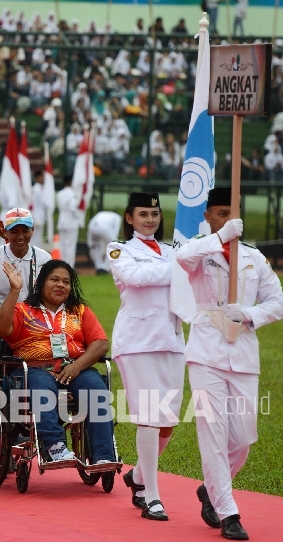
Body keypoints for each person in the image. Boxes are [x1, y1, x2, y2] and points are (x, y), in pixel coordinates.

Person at [175, 187, 283, 540]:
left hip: (243, 352)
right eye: (219, 212)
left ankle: (210, 488)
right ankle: (228, 513)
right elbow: (180, 259)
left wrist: (250, 314)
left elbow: (278, 303)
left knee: (241, 439)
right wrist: (219, 238)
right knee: (213, 433)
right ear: (208, 216)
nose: (225, 218)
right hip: (206, 351)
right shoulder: (199, 252)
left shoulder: (254, 258)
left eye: (230, 212)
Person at [107, 193, 186, 521]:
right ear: (130, 218)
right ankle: (151, 495)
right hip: (136, 342)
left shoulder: (172, 252)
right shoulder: (119, 248)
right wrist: (179, 270)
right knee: (149, 418)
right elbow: (135, 278)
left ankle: (138, 474)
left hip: (171, 339)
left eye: (154, 213)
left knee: (167, 422)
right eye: (143, 214)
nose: (150, 219)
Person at [0, 259, 116, 464]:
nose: (61, 285)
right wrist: (15, 290)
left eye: (66, 282)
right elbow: (1, 329)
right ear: (41, 283)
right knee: (42, 386)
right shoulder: (23, 310)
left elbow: (101, 343)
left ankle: (104, 457)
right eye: (55, 280)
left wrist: (77, 366)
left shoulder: (79, 311)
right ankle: (55, 446)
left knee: (96, 388)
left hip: (74, 368)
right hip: (34, 369)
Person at [0, 209, 51, 382]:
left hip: (33, 335)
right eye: (14, 231)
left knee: (33, 385)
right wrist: (1, 312)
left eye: (25, 231)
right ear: (5, 233)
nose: (20, 236)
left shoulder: (45, 259)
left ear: (32, 231)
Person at [56, 176, 79, 267]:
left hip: (62, 220)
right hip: (71, 221)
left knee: (63, 245)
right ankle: (69, 266)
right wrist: (79, 216)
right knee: (70, 246)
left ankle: (63, 265)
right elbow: (73, 208)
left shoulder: (60, 193)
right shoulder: (72, 194)